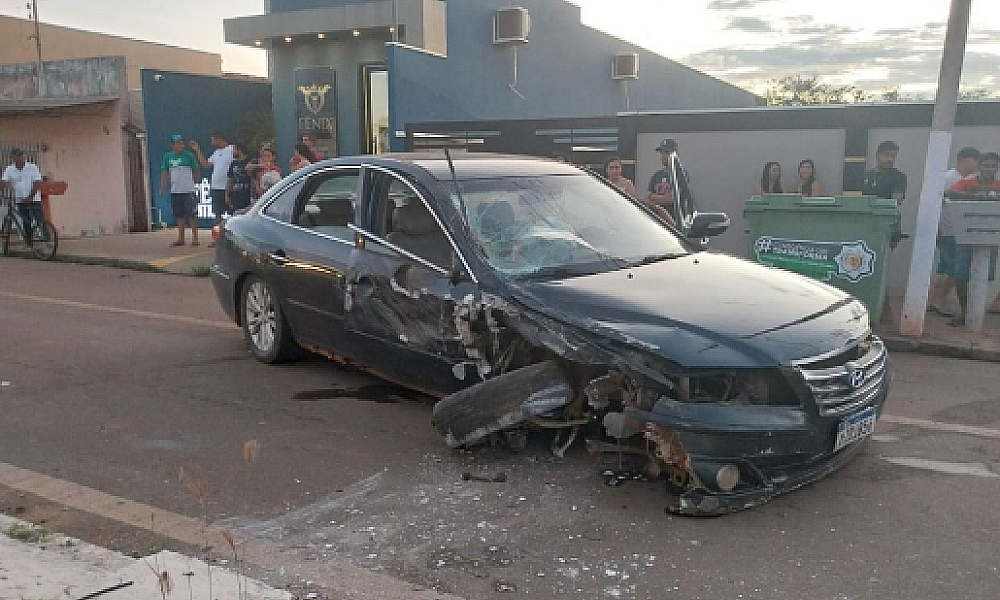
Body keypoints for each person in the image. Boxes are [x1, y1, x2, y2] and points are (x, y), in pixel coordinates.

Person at [944, 152, 1000, 327]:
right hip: (965, 235)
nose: (989, 169)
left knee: (983, 277)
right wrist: (975, 196)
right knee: (960, 276)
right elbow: (949, 192)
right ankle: (965, 312)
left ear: (997, 168)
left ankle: (977, 314)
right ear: (979, 166)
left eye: (993, 165)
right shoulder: (968, 183)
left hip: (989, 238)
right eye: (986, 165)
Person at [929, 147, 980, 317]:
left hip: (955, 229)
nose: (977, 165)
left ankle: (936, 299)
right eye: (975, 160)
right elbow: (936, 203)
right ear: (965, 160)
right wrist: (936, 227)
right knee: (953, 267)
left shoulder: (966, 180)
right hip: (949, 229)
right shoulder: (949, 178)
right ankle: (939, 300)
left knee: (944, 266)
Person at [158, 134, 201, 247]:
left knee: (192, 214)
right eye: (178, 143)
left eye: (182, 143)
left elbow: (195, 170)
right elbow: (164, 173)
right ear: (172, 145)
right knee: (179, 215)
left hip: (188, 190)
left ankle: (195, 238)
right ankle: (181, 238)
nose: (181, 145)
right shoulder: (167, 157)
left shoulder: (189, 156)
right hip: (175, 190)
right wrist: (162, 188)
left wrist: (196, 181)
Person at [189, 132, 234, 234]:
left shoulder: (232, 149)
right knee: (217, 214)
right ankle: (217, 238)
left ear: (219, 139)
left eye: (213, 140)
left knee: (232, 213)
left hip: (228, 187)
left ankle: (233, 238)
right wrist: (197, 150)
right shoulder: (216, 153)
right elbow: (205, 164)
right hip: (216, 187)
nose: (212, 143)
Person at [1, 148, 44, 246]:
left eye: (22, 156)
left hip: (34, 198)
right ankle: (28, 242)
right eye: (18, 156)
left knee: (39, 219)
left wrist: (30, 196)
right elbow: (4, 182)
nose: (21, 158)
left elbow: (37, 182)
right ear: (13, 158)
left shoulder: (32, 167)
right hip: (20, 199)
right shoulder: (9, 169)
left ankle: (46, 240)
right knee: (25, 221)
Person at [645, 138, 694, 225]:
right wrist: (656, 200)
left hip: (675, 224)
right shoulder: (656, 175)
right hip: (656, 223)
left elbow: (672, 198)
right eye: (662, 153)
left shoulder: (680, 174)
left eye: (667, 153)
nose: (663, 156)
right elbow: (646, 198)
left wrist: (653, 198)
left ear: (675, 154)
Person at [226, 142, 254, 214]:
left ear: (239, 150)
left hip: (247, 195)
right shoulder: (233, 163)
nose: (232, 152)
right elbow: (230, 179)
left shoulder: (250, 161)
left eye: (234, 149)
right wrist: (227, 194)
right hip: (235, 196)